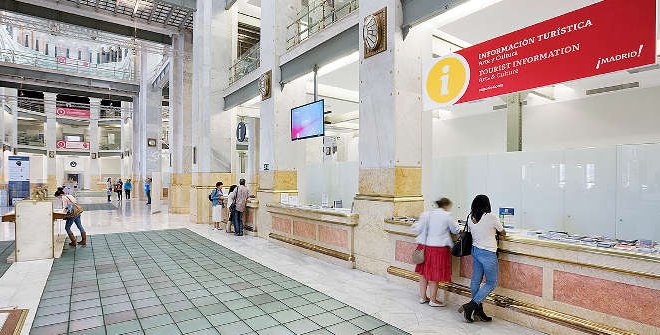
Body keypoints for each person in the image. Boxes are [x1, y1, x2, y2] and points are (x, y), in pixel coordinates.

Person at [458, 194, 506, 323]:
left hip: (475, 250)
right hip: (488, 253)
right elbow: (502, 232)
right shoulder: (490, 217)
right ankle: (472, 305)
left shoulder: (470, 217)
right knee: (491, 282)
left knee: (475, 281)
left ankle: (477, 310)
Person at [411, 198, 458, 307]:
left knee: (423, 274)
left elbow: (417, 228)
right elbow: (455, 230)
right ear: (446, 205)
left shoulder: (426, 214)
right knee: (434, 275)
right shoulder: (447, 215)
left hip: (424, 247)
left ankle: (423, 297)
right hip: (438, 248)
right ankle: (433, 300)